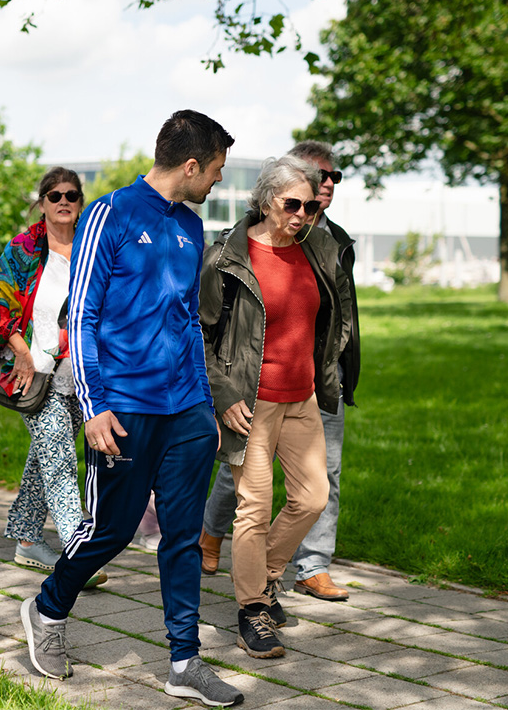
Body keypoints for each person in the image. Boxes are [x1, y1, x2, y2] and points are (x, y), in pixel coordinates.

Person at [19, 110, 243, 708]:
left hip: (186, 410)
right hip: (121, 409)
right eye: (216, 170)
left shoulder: (191, 226)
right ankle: (47, 609)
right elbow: (81, 316)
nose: (218, 180)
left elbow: (188, 319)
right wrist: (93, 406)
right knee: (110, 529)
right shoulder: (109, 213)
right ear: (191, 165)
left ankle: (185, 661)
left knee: (182, 536)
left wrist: (205, 405)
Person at [198, 155, 351, 660]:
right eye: (292, 204)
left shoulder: (317, 249)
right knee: (254, 509)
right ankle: (252, 610)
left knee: (313, 497)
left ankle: (263, 578)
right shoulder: (226, 257)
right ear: (267, 201)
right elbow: (199, 333)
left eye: (310, 207)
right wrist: (223, 395)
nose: (302, 214)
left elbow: (334, 318)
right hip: (252, 402)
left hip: (302, 397)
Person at [0, 167, 105, 589]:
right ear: (42, 202)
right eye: (54, 195)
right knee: (61, 460)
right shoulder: (25, 249)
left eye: (71, 195)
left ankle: (28, 541)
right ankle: (78, 554)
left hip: (81, 375)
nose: (63, 201)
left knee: (45, 455)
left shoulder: (94, 247)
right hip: (34, 373)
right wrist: (21, 352)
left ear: (80, 201)